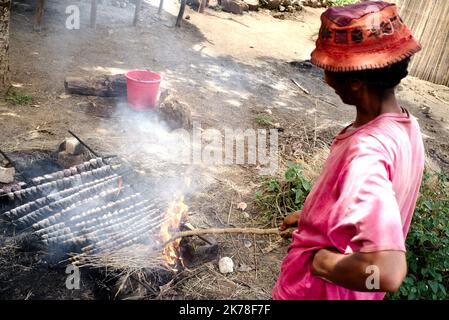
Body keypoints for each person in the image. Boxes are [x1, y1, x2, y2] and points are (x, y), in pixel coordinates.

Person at [272, 1, 424, 300]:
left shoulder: (365, 154)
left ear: (355, 82)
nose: (325, 77)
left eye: (329, 68)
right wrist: (312, 220)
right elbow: (364, 208)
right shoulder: (407, 127)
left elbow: (387, 274)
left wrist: (321, 262)